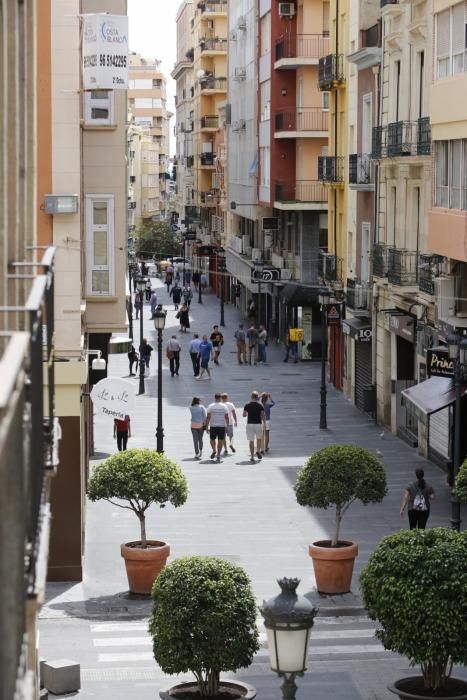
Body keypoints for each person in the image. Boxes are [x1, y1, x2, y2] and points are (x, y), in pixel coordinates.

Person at [205, 393, 229, 462]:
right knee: (220, 440)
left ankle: (214, 450)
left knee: (212, 439)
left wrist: (206, 426)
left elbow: (208, 417)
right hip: (221, 426)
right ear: (220, 398)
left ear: (214, 398)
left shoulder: (211, 406)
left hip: (213, 426)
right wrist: (227, 425)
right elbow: (226, 417)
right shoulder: (224, 406)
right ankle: (218, 454)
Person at [243, 391, 266, 463]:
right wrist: (264, 424)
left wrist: (247, 413)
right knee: (259, 438)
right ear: (257, 397)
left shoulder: (247, 405)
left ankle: (252, 456)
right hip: (258, 424)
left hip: (250, 424)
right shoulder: (260, 405)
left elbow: (243, 415)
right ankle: (258, 451)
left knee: (251, 440)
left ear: (251, 397)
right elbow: (263, 415)